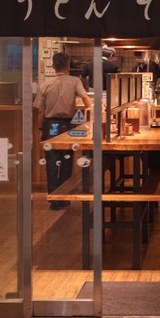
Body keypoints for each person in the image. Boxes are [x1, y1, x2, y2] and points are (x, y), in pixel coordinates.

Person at [36, 52, 92, 210]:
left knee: (52, 163)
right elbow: (86, 99)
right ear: (68, 66)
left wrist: (41, 129)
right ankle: (65, 198)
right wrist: (95, 113)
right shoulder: (75, 81)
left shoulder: (45, 84)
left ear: (53, 66)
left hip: (50, 125)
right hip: (68, 125)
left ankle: (54, 200)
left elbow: (41, 111)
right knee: (67, 160)